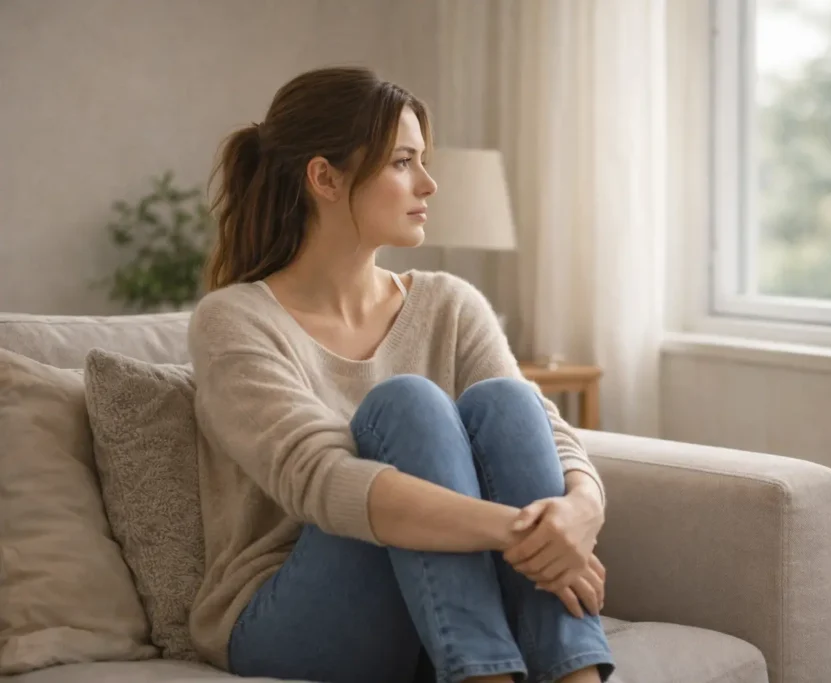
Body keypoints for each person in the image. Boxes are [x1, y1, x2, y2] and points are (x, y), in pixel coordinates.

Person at [186, 65, 615, 683]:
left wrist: (579, 513)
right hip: (289, 613)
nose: (429, 183)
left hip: (432, 601)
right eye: (402, 162)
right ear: (324, 177)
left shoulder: (449, 303)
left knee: (507, 403)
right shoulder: (233, 321)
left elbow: (546, 432)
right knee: (409, 403)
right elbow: (322, 480)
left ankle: (577, 677)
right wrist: (524, 534)